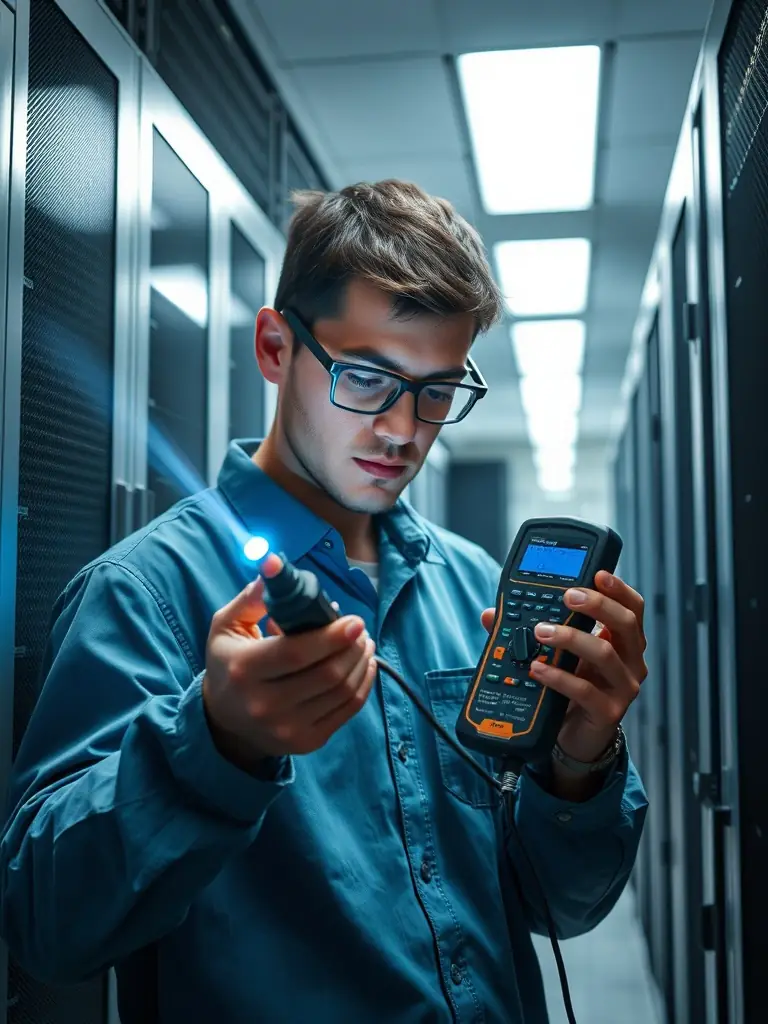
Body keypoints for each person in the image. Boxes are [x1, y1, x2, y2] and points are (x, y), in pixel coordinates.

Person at [0, 180, 648, 1023]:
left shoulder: (472, 584)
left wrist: (581, 761)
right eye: (368, 378)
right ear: (276, 348)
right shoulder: (144, 593)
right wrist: (215, 743)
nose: (404, 430)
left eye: (438, 390)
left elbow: (557, 905)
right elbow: (47, 927)